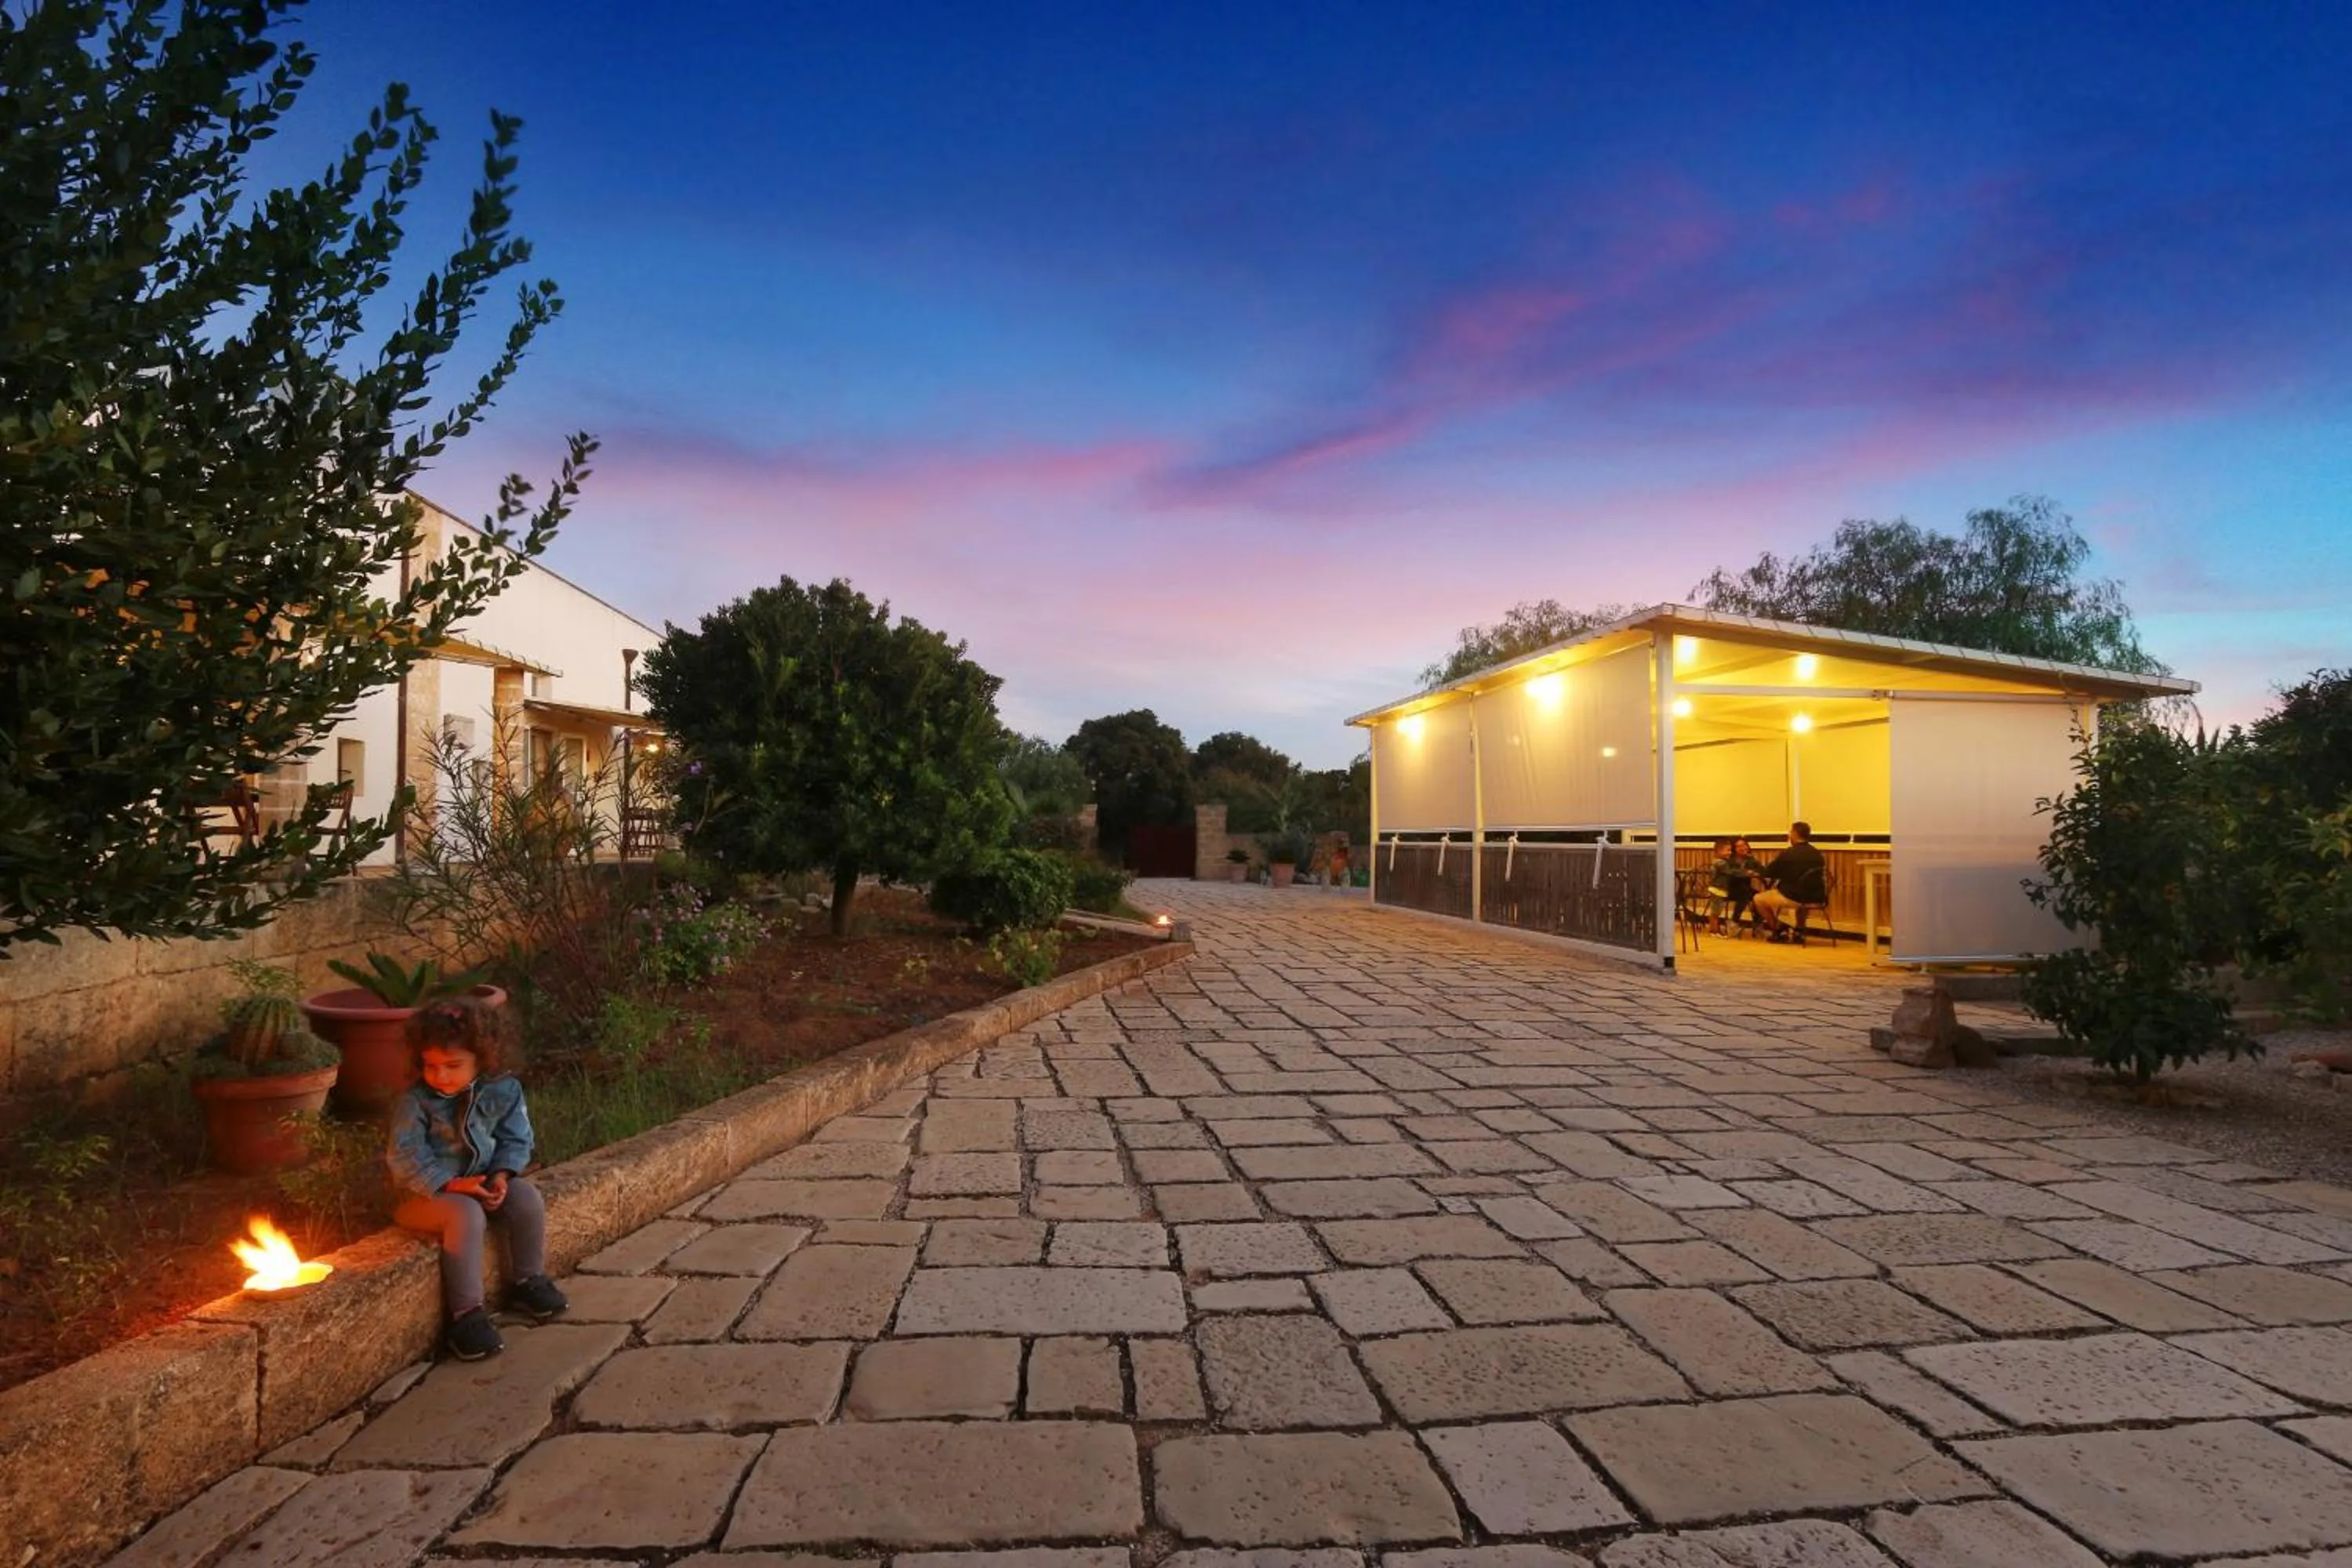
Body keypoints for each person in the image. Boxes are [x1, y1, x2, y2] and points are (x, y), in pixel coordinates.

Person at [387, 996, 568, 1359]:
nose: (440, 1076)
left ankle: (528, 1280)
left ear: (483, 1059)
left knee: (526, 1198)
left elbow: (517, 1139)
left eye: (453, 1066)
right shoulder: (416, 1101)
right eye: (430, 1066)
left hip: (478, 1182)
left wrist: (500, 1175)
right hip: (422, 1196)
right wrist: (453, 1185)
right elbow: (405, 1158)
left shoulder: (504, 1090)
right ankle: (466, 1316)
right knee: (466, 1215)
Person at [1752, 821, 1829, 943]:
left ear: (1795, 834)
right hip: (1816, 897)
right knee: (1803, 892)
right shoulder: (1817, 854)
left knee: (1758, 899)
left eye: (1791, 832)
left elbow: (1769, 872)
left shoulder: (1789, 853)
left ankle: (1779, 929)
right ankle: (1800, 930)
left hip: (1795, 897)